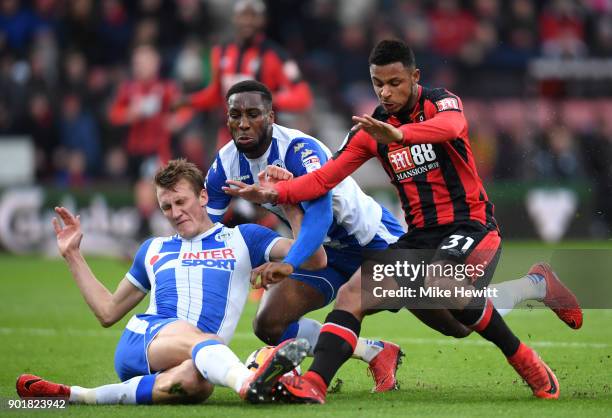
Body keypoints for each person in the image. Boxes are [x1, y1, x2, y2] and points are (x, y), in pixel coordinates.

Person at [224, 40, 583, 403]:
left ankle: (527, 362)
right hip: (418, 239)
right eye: (378, 83)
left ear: (414, 77)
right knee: (362, 296)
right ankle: (315, 384)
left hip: (470, 227)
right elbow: (325, 178)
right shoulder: (371, 130)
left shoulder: (440, 102)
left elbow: (452, 126)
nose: (386, 91)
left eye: (395, 82)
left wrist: (402, 135)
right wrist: (275, 194)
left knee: (444, 283)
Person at [16, 159, 325, 405]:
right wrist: (73, 255)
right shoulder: (153, 248)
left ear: (203, 196)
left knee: (197, 384)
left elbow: (314, 258)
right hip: (144, 340)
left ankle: (78, 395)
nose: (175, 213)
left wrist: (288, 202)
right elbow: (107, 312)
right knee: (202, 340)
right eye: (166, 207)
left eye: (181, 202)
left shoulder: (243, 238)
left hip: (194, 357)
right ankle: (247, 381)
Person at [206, 79, 406, 393]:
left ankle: (504, 323)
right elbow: (208, 230)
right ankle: (375, 352)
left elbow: (320, 216)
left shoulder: (299, 150)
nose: (243, 123)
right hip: (325, 255)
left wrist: (290, 261)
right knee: (270, 322)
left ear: (271, 116)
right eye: (235, 115)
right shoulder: (226, 163)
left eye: (253, 114)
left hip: (374, 243)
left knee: (455, 321)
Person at [178, 0, 312, 150]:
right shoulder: (220, 52)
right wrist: (189, 102)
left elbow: (303, 97)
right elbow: (216, 94)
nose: (248, 21)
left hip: (262, 140)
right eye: (243, 15)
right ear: (235, 18)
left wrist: (267, 98)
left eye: (253, 16)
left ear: (263, 20)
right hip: (227, 138)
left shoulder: (275, 56)